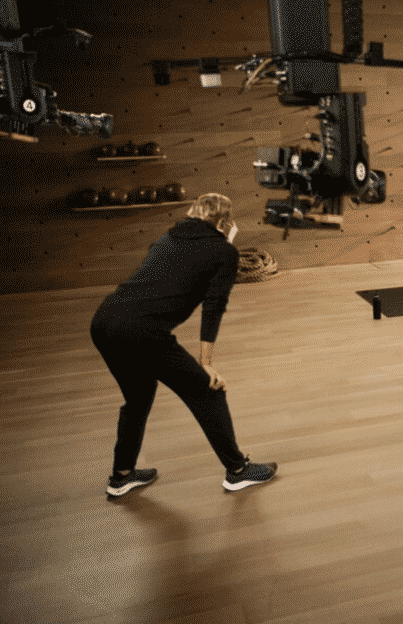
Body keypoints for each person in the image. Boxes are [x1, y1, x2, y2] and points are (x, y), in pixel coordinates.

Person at [90, 193, 277, 498]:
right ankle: (238, 471)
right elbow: (214, 307)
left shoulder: (167, 239)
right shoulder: (224, 252)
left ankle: (121, 475)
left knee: (138, 398)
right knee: (208, 391)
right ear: (224, 221)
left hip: (104, 321)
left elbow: (180, 272)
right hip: (141, 332)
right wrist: (207, 364)